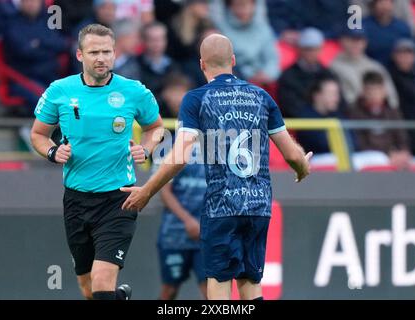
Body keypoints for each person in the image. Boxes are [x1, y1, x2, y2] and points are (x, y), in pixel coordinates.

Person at [120, 34, 312, 300]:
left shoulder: (197, 99)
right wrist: (302, 168)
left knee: (219, 283)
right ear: (232, 61)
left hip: (221, 207)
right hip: (258, 206)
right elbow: (292, 153)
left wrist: (147, 191)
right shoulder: (262, 96)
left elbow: (179, 156)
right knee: (250, 282)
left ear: (202, 65)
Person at [29, 24, 164, 300]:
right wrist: (53, 152)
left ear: (114, 54)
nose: (100, 58)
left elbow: (156, 128)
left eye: (106, 52)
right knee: (88, 287)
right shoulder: (60, 90)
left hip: (119, 198)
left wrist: (147, 149)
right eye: (94, 52)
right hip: (77, 199)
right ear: (80, 55)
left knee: (103, 280)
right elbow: (38, 134)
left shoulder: (133, 91)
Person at [155, 73, 207, 299]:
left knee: (211, 291)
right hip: (175, 233)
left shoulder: (214, 143)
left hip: (207, 232)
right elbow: (163, 191)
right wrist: (188, 221)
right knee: (169, 290)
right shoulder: (168, 143)